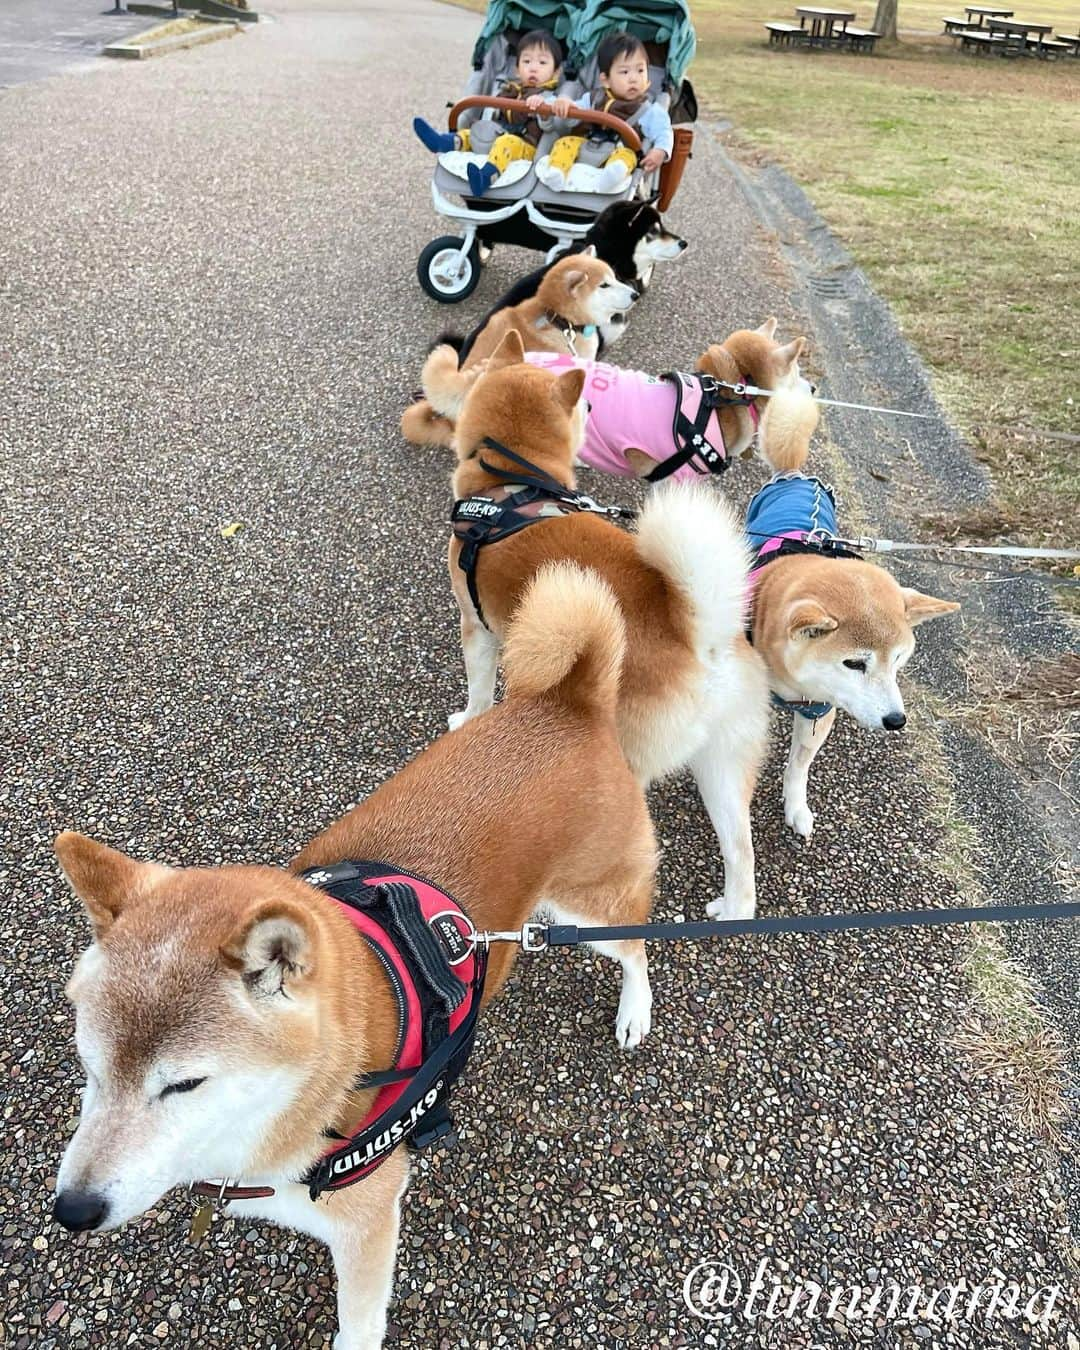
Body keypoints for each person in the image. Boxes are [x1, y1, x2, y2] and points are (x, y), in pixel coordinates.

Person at [412, 30, 563, 197]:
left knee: (506, 142)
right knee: (472, 134)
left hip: (527, 146)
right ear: (517, 69)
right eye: (526, 61)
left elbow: (551, 126)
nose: (533, 68)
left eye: (542, 63)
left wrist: (543, 108)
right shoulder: (510, 88)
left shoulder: (551, 97)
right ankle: (442, 142)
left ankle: (486, 176)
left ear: (556, 72)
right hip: (499, 135)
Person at [538, 31, 672, 193]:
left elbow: (664, 131)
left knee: (628, 157)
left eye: (640, 71)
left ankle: (611, 178)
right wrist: (562, 103)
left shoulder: (649, 110)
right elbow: (574, 109)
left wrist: (661, 150)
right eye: (625, 72)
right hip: (586, 147)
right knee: (564, 143)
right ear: (606, 80)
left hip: (619, 151)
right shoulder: (593, 98)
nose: (634, 78)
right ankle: (557, 173)